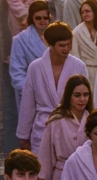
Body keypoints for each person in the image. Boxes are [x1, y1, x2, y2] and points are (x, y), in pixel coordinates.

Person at [18, 22, 88, 154]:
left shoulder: (79, 66)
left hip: (71, 127)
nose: (66, 49)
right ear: (50, 45)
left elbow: (86, 101)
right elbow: (28, 103)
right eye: (62, 45)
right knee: (42, 171)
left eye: (69, 44)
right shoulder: (35, 68)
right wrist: (24, 135)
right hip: (43, 127)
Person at [37, 76, 92, 180]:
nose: (82, 99)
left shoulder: (92, 120)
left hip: (86, 178)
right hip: (61, 178)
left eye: (85, 95)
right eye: (77, 95)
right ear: (69, 96)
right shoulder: (56, 121)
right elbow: (46, 156)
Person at [9, 0, 51, 112]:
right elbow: (17, 72)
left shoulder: (56, 37)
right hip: (32, 96)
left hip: (55, 94)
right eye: (38, 18)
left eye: (45, 18)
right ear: (31, 18)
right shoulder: (20, 40)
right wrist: (30, 92)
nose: (42, 21)